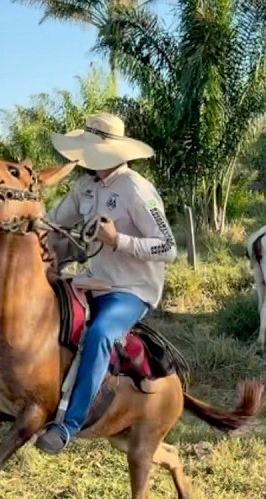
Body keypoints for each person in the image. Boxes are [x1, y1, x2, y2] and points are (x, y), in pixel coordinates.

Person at [35, 112, 178, 454]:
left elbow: (168, 247)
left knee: (99, 334)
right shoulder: (85, 186)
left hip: (129, 290)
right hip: (89, 280)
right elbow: (52, 224)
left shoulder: (137, 189)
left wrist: (119, 241)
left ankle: (68, 426)